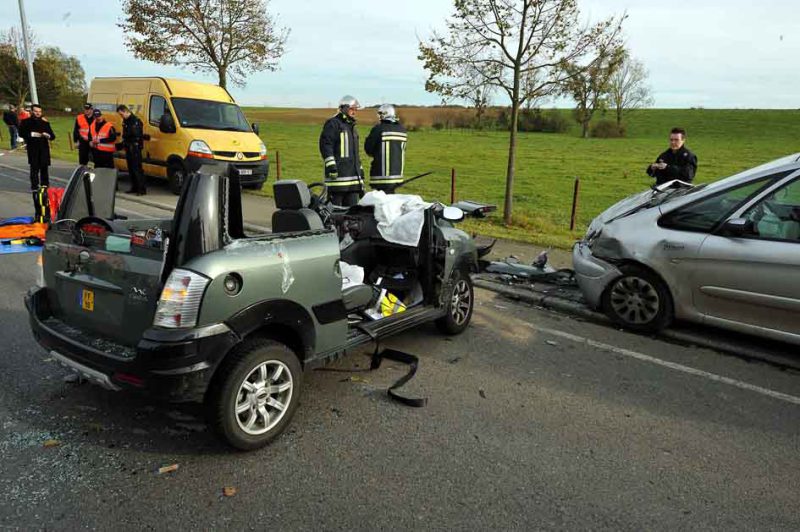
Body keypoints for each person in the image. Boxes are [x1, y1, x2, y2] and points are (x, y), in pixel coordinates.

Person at [319, 95, 364, 206]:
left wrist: (360, 170)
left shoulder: (352, 127)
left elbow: (355, 153)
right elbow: (326, 145)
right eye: (352, 109)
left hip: (353, 181)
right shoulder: (333, 123)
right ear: (344, 108)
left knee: (352, 213)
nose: (354, 112)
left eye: (355, 109)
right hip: (338, 179)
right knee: (335, 212)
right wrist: (331, 166)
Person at [18, 104, 55, 223]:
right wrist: (31, 134)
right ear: (32, 112)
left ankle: (45, 185)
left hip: (43, 149)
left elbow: (52, 136)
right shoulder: (26, 122)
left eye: (40, 111)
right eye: (36, 111)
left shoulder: (45, 122)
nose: (38, 113)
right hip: (33, 149)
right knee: (34, 168)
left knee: (44, 168)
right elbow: (21, 133)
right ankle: (35, 186)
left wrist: (47, 135)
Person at [364, 104, 408, 194]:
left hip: (380, 175)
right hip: (397, 175)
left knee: (381, 204)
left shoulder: (378, 129)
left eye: (380, 114)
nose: (379, 117)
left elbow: (368, 149)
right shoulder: (402, 130)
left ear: (385, 114)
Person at [117, 104, 146, 195]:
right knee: (130, 168)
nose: (121, 116)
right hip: (128, 146)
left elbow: (135, 134)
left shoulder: (135, 121)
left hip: (135, 147)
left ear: (126, 111)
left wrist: (127, 137)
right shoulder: (126, 121)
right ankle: (134, 187)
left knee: (137, 168)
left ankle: (141, 189)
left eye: (121, 114)